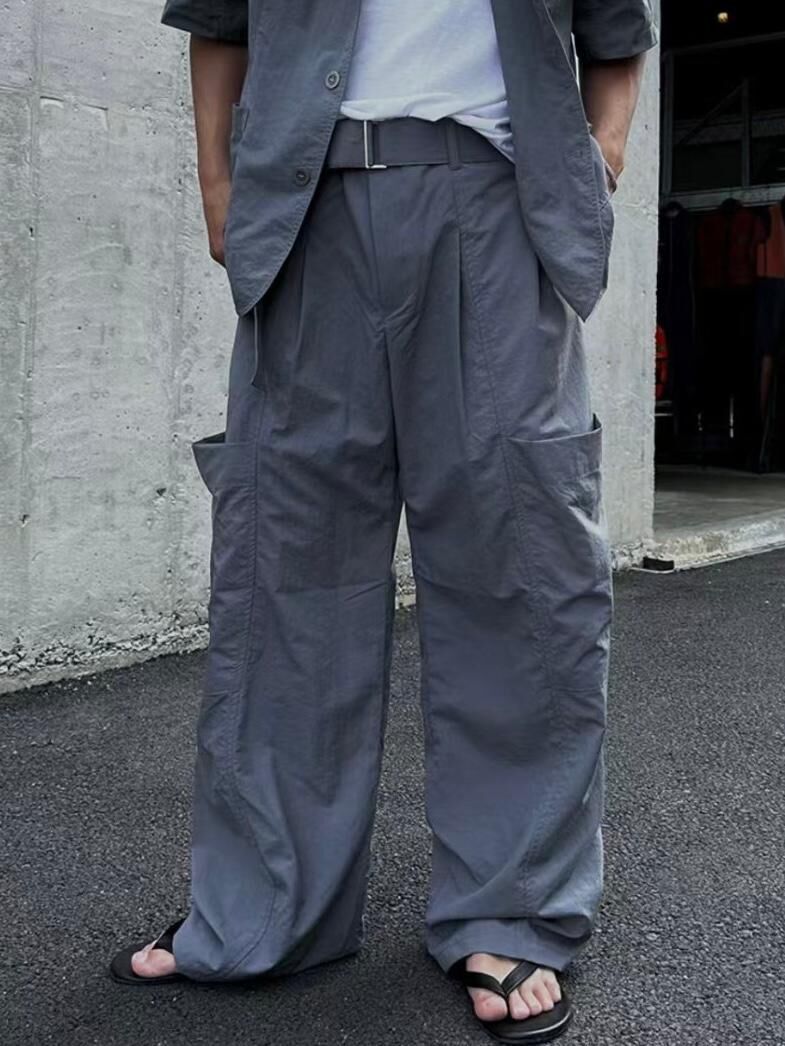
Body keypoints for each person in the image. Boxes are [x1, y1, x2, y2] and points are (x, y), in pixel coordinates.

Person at [111, 2, 657, 1041]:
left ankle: (508, 910)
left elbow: (616, 34)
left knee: (520, 573)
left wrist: (603, 158)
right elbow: (220, 20)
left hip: (498, 202)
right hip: (305, 206)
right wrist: (218, 183)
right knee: (283, 570)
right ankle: (263, 909)